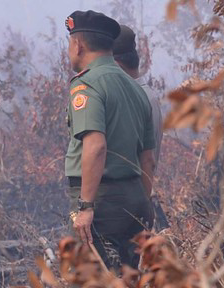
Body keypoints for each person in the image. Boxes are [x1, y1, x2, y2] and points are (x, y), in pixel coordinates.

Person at [64, 10, 156, 270]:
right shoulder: (135, 89)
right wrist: (143, 205)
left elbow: (95, 146)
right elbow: (148, 159)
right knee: (126, 283)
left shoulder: (88, 85)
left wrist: (86, 207)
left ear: (78, 44)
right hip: (136, 198)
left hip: (101, 200)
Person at [113, 24, 169, 232]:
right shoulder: (148, 95)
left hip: (125, 206)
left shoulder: (132, 99)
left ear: (116, 63)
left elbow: (145, 159)